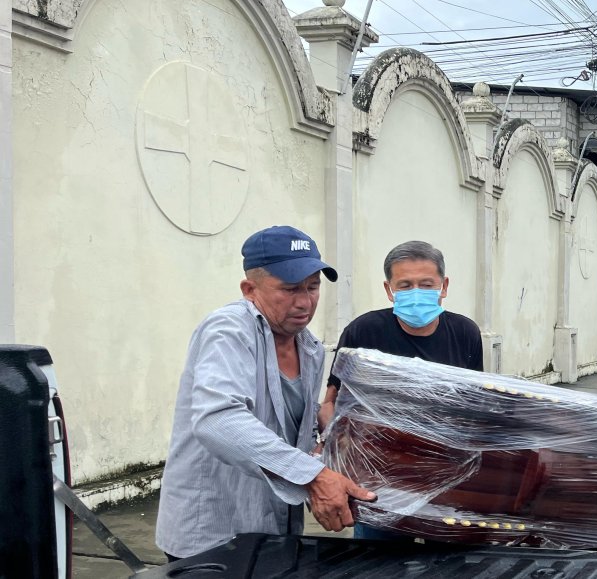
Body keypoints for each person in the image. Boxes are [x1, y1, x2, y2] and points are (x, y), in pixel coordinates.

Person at [156, 226, 375, 562]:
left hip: (276, 529)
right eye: (289, 289)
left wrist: (326, 442)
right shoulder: (228, 329)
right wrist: (313, 475)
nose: (304, 301)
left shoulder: (310, 347)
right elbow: (218, 419)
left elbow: (284, 426)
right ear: (249, 289)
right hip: (212, 534)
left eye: (312, 287)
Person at [317, 240, 483, 539]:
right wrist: (339, 455)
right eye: (405, 285)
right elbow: (330, 402)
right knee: (381, 563)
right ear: (388, 289)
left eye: (426, 284)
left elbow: (475, 404)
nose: (415, 292)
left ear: (443, 286)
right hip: (380, 480)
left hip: (447, 477)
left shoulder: (464, 332)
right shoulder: (363, 331)